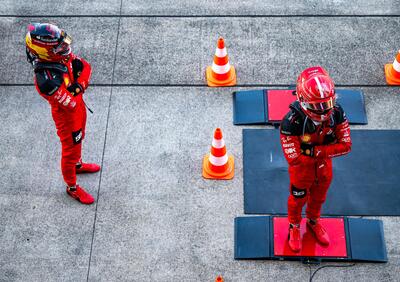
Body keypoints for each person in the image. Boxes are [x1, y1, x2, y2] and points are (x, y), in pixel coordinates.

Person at [25, 23, 100, 204]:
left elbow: (86, 66)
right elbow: (71, 104)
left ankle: (78, 165)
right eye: (61, 46)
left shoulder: (59, 57)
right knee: (69, 150)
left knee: (81, 137)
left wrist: (79, 86)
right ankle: (72, 187)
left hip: (78, 108)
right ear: (45, 52)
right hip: (67, 118)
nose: (66, 47)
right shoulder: (46, 81)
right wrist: (80, 84)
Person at [280, 66, 352, 252]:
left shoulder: (336, 112)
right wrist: (328, 148)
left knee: (319, 198)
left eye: (327, 103)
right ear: (303, 101)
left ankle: (313, 221)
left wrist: (315, 151)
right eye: (318, 105)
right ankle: (294, 226)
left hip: (323, 168)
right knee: (297, 200)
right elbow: (293, 158)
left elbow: (346, 146)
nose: (324, 109)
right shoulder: (292, 121)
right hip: (301, 173)